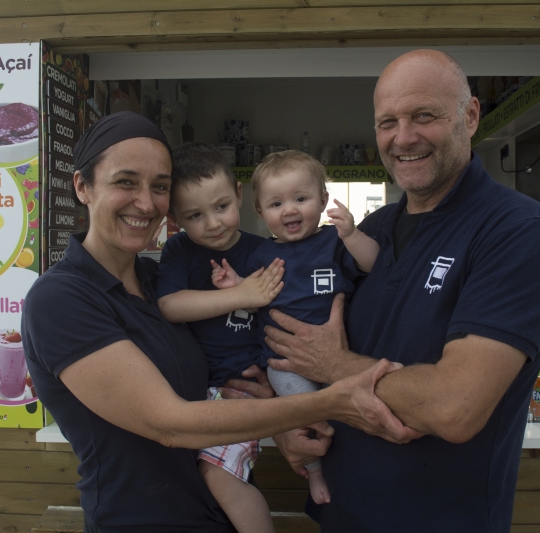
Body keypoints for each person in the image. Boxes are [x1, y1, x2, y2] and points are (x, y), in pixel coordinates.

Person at [21, 112, 417, 533]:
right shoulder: (60, 299)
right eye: (125, 181)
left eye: (158, 187)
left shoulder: (159, 281)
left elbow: (218, 378)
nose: (145, 202)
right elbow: (170, 423)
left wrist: (271, 403)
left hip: (222, 515)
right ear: (82, 187)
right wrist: (333, 399)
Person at [255, 50, 540, 531]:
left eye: (424, 116)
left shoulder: (517, 231)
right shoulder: (370, 232)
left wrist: (335, 365)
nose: (404, 137)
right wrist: (286, 420)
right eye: (388, 122)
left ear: (469, 115)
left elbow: (455, 407)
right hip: (341, 513)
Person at [233, 150, 379, 503]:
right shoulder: (261, 256)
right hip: (284, 363)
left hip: (340, 355)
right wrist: (231, 286)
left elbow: (374, 263)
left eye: (301, 198)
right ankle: (314, 473)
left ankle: (361, 473)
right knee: (305, 417)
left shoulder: (334, 241)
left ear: (324, 200)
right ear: (260, 211)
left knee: (360, 407)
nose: (290, 210)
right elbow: (249, 299)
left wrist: (352, 234)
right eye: (276, 203)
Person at [155, 142, 278, 533]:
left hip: (244, 387)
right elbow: (170, 306)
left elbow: (287, 315)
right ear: (175, 218)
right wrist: (242, 295)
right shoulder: (178, 251)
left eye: (221, 206)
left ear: (240, 195)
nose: (212, 223)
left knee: (218, 475)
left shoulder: (266, 253)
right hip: (196, 394)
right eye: (194, 215)